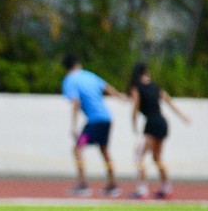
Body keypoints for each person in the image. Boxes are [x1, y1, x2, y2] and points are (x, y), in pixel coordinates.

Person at [61, 54, 128, 197]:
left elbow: (76, 102)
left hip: (95, 122)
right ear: (77, 64)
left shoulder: (69, 81)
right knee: (104, 149)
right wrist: (120, 96)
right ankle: (112, 184)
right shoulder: (89, 75)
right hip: (106, 119)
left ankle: (82, 184)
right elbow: (106, 87)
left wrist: (73, 127)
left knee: (78, 148)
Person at [127, 62, 190, 199]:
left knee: (139, 156)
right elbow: (168, 101)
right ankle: (166, 188)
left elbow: (136, 106)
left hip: (152, 123)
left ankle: (142, 189)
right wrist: (182, 116)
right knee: (157, 158)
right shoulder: (155, 86)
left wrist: (133, 123)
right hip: (162, 122)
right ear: (146, 72)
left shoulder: (136, 87)